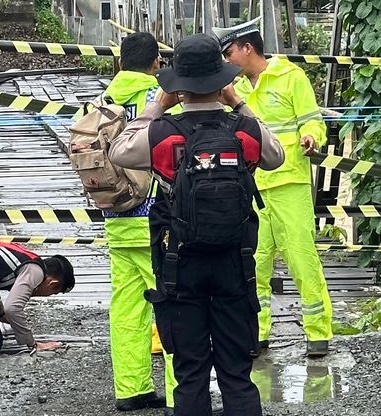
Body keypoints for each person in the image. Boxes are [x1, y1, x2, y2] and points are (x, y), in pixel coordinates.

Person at [111, 34, 285, 416]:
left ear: (179, 87)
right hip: (234, 262)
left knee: (189, 373)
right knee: (237, 373)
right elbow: (276, 155)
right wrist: (238, 102)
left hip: (180, 265)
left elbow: (118, 151)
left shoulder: (162, 135)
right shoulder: (243, 131)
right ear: (221, 82)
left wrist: (157, 107)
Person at [215, 18, 332, 358]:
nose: (227, 60)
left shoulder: (291, 77)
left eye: (230, 52)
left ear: (248, 48)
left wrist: (311, 136)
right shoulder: (231, 89)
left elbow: (312, 119)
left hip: (289, 183)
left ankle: (317, 332)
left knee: (301, 258)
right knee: (253, 262)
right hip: (250, 187)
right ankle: (256, 332)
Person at [102, 31, 176, 413]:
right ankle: (183, 391)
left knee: (127, 306)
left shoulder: (100, 100)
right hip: (155, 220)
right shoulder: (160, 98)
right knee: (174, 302)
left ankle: (131, 388)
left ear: (119, 63)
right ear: (155, 64)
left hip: (115, 216)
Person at [0, 241, 75, 356]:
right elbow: (13, 308)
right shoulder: (35, 271)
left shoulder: (26, 258)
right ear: (53, 284)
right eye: (53, 293)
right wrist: (32, 344)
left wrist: (0, 314)